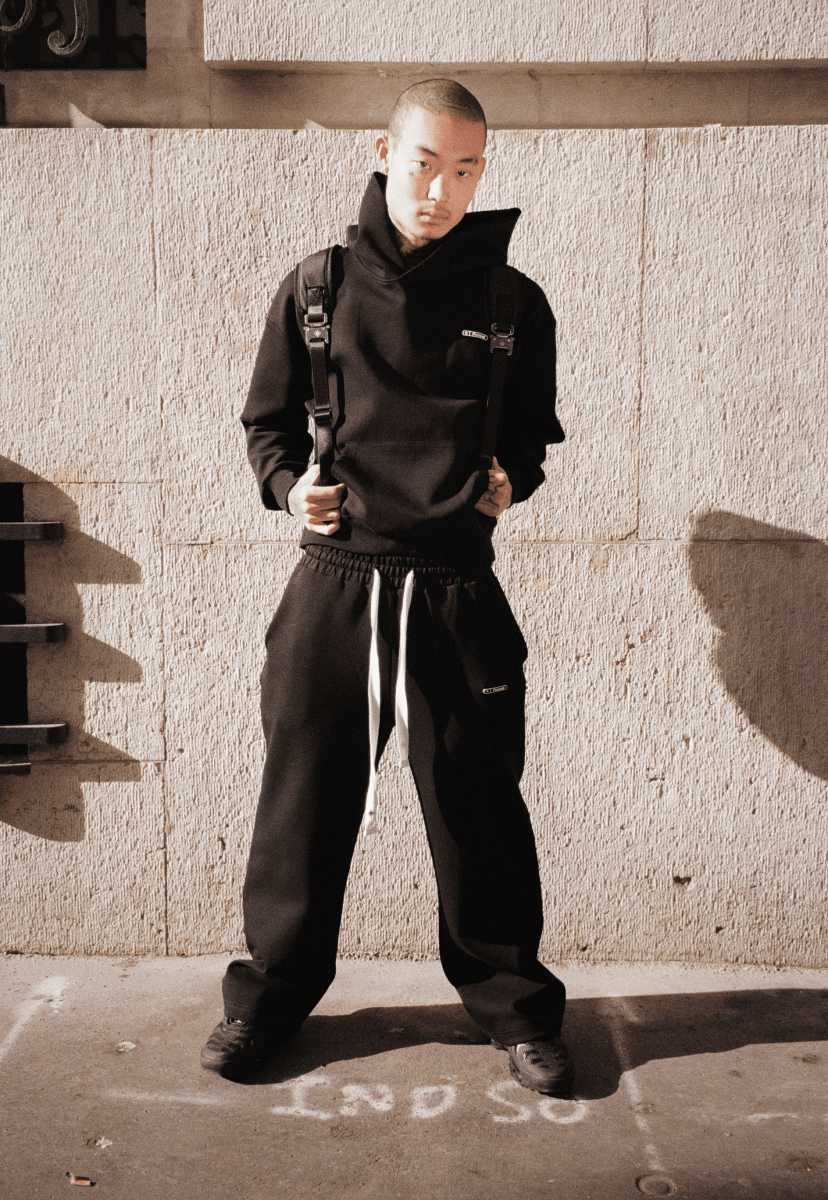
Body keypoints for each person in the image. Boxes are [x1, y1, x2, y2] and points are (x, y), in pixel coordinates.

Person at [200, 78, 572, 1097]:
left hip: (455, 589)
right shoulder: (314, 289)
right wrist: (289, 488)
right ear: (382, 152)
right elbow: (267, 426)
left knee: (480, 813)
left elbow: (531, 435)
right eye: (424, 163)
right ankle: (267, 1001)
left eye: (466, 170)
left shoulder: (512, 303)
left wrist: (511, 481)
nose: (442, 190)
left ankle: (517, 1011)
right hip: (336, 586)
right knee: (301, 808)